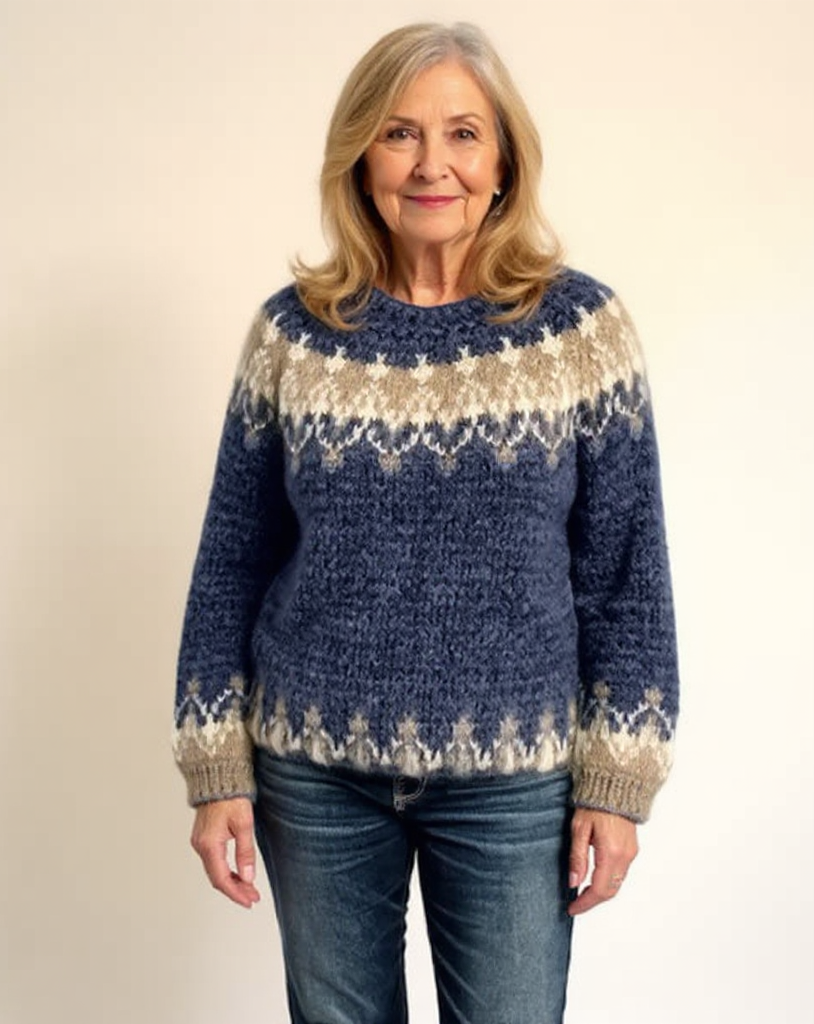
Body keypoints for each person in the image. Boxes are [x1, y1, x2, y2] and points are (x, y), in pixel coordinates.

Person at [174, 21, 679, 1024]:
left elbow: (626, 573)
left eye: (462, 134)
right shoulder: (293, 335)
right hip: (313, 769)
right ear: (361, 158)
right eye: (400, 133)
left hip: (513, 777)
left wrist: (618, 781)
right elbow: (234, 558)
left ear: (503, 162)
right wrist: (214, 765)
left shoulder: (579, 332)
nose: (430, 164)